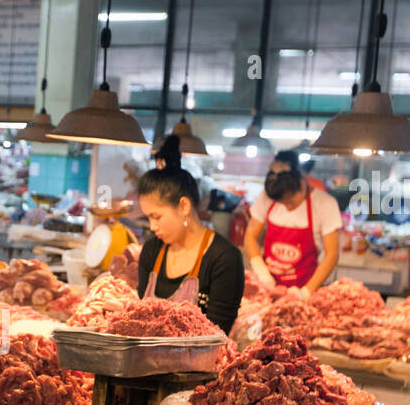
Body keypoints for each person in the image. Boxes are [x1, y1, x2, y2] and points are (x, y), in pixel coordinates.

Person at [136, 136, 244, 334]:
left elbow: (217, 338)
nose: (152, 226)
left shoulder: (224, 258)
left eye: (157, 216)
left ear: (183, 206)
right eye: (148, 218)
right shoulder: (152, 251)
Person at [243, 149, 343, 292]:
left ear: (302, 185)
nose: (286, 206)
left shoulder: (324, 204)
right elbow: (250, 236)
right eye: (281, 202)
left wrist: (306, 292)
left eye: (289, 201)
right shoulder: (267, 197)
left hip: (305, 285)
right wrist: (262, 272)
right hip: (268, 287)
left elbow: (332, 254)